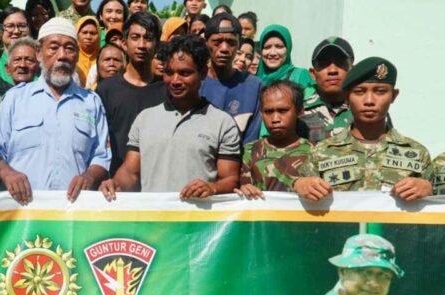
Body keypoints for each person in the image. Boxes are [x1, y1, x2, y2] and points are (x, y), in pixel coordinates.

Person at [0, 18, 111, 205]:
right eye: (54, 47)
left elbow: (101, 156)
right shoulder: (15, 98)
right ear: (38, 53)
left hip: (72, 210)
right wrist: (7, 173)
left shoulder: (91, 102)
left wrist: (89, 177)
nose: (62, 56)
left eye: (69, 48)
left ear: (77, 55)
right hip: (21, 211)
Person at [99, 35, 240, 198]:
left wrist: (212, 188)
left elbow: (230, 179)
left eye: (185, 73)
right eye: (169, 73)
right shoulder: (144, 119)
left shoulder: (222, 123)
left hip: (199, 214)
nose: (175, 81)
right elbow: (130, 172)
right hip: (155, 213)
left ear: (202, 73)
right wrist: (115, 183)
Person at [293, 57, 433, 202]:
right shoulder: (321, 152)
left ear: (393, 96)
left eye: (380, 91)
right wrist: (299, 185)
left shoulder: (417, 153)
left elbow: (437, 206)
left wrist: (429, 189)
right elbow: (295, 202)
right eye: (359, 92)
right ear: (347, 97)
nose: (369, 101)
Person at [97, 12, 166, 175]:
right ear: (124, 43)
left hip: (156, 180)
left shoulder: (167, 90)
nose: (141, 45)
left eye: (148, 38)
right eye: (135, 37)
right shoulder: (106, 90)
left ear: (157, 45)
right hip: (115, 182)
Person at [236, 81, 312, 199]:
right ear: (261, 113)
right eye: (268, 111)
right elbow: (238, 190)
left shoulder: (315, 151)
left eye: (283, 111)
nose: (275, 119)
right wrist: (245, 190)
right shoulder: (249, 152)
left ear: (299, 111)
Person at [200, 13, 263, 143]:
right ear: (206, 43)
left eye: (231, 42)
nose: (224, 48)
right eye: (217, 42)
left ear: (239, 44)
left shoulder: (254, 87)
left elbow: (251, 143)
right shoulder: (194, 83)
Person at [300, 37, 355, 143]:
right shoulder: (299, 110)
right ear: (313, 73)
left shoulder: (364, 109)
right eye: (324, 64)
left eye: (340, 63)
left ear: (352, 70)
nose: (332, 70)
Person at [256, 25, 313, 89]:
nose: (273, 53)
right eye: (267, 47)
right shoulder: (255, 79)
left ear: (288, 49)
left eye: (279, 47)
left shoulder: (299, 76)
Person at [0, 7, 31, 85]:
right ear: (0, 30)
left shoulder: (40, 59)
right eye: (10, 26)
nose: (16, 31)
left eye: (22, 26)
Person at [75, 16, 101, 87]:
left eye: (92, 33)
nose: (88, 37)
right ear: (77, 34)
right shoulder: (72, 56)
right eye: (84, 32)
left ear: (99, 35)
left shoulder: (103, 57)